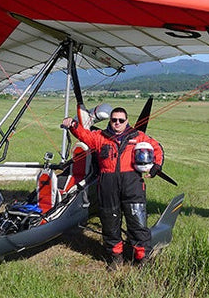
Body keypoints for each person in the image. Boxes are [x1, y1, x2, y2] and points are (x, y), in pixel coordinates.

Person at [61, 107, 164, 269]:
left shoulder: (138, 136)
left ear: (126, 121)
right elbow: (84, 135)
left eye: (121, 120)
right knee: (110, 224)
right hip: (108, 187)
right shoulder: (100, 137)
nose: (117, 123)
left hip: (133, 187)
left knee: (137, 223)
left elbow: (156, 147)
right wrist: (73, 125)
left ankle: (143, 258)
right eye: (114, 120)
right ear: (110, 121)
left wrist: (156, 166)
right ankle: (116, 257)